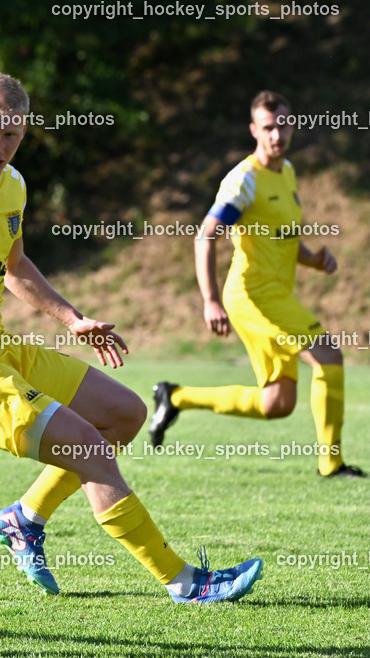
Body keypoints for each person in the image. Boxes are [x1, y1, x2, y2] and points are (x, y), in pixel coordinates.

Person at [0, 73, 264, 602]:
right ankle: (185, 582)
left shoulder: (16, 186)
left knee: (124, 413)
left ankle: (24, 519)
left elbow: (15, 264)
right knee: (88, 446)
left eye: (12, 135)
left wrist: (72, 320)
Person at [149, 90, 364, 479]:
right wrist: (210, 300)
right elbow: (206, 235)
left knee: (276, 403)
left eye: (283, 124)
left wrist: (312, 258)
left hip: (276, 295)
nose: (277, 134)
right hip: (251, 295)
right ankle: (332, 466)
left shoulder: (287, 173)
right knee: (330, 355)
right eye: (268, 127)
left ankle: (176, 396)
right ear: (254, 130)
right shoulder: (244, 180)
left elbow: (282, 234)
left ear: (293, 125)